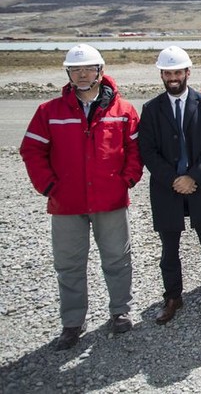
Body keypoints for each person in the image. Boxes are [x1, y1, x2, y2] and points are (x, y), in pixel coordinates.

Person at [20, 44, 143, 350]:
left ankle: (120, 312)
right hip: (66, 203)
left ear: (101, 72)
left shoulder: (123, 110)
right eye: (76, 70)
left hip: (110, 201)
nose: (83, 74)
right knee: (69, 264)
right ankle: (72, 322)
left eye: (89, 69)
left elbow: (136, 150)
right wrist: (48, 186)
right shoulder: (49, 111)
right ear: (69, 74)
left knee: (117, 258)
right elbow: (31, 150)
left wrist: (127, 180)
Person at [138, 46, 201, 323]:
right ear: (162, 75)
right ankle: (173, 297)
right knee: (169, 249)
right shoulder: (151, 109)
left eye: (178, 72)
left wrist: (193, 177)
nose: (173, 77)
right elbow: (147, 150)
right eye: (168, 73)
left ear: (188, 73)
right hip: (168, 190)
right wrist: (174, 180)